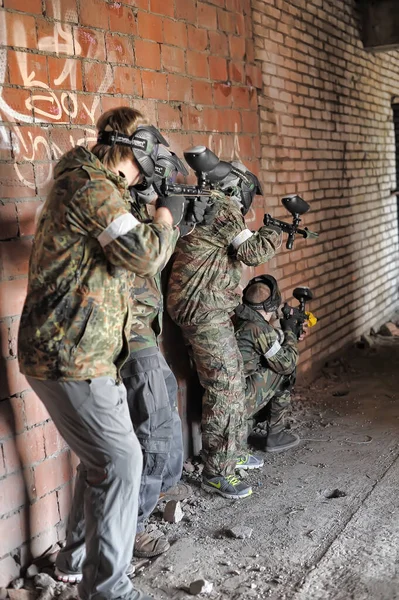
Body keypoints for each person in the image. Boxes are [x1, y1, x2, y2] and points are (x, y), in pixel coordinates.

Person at [18, 106, 181, 600]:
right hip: (70, 356)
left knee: (103, 461)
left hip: (76, 351)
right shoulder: (93, 189)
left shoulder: (90, 183)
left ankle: (76, 559)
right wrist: (167, 218)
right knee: (121, 461)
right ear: (134, 150)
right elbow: (144, 255)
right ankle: (109, 590)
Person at [167, 154, 283, 500]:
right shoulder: (223, 208)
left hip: (204, 306)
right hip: (203, 309)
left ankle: (228, 453)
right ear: (238, 187)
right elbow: (253, 252)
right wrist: (275, 229)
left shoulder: (211, 204)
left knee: (227, 380)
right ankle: (217, 471)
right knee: (227, 386)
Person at [123, 148, 196, 560]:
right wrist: (164, 214)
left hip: (144, 331)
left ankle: (164, 485)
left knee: (165, 406)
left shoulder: (129, 206)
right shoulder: (115, 207)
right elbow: (147, 253)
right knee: (151, 431)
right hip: (129, 333)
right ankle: (132, 528)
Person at [234, 275, 302, 452]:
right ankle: (276, 434)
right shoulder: (258, 328)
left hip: (229, 396)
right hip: (239, 400)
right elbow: (286, 363)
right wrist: (290, 333)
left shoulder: (238, 317)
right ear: (270, 305)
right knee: (286, 369)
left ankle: (250, 426)